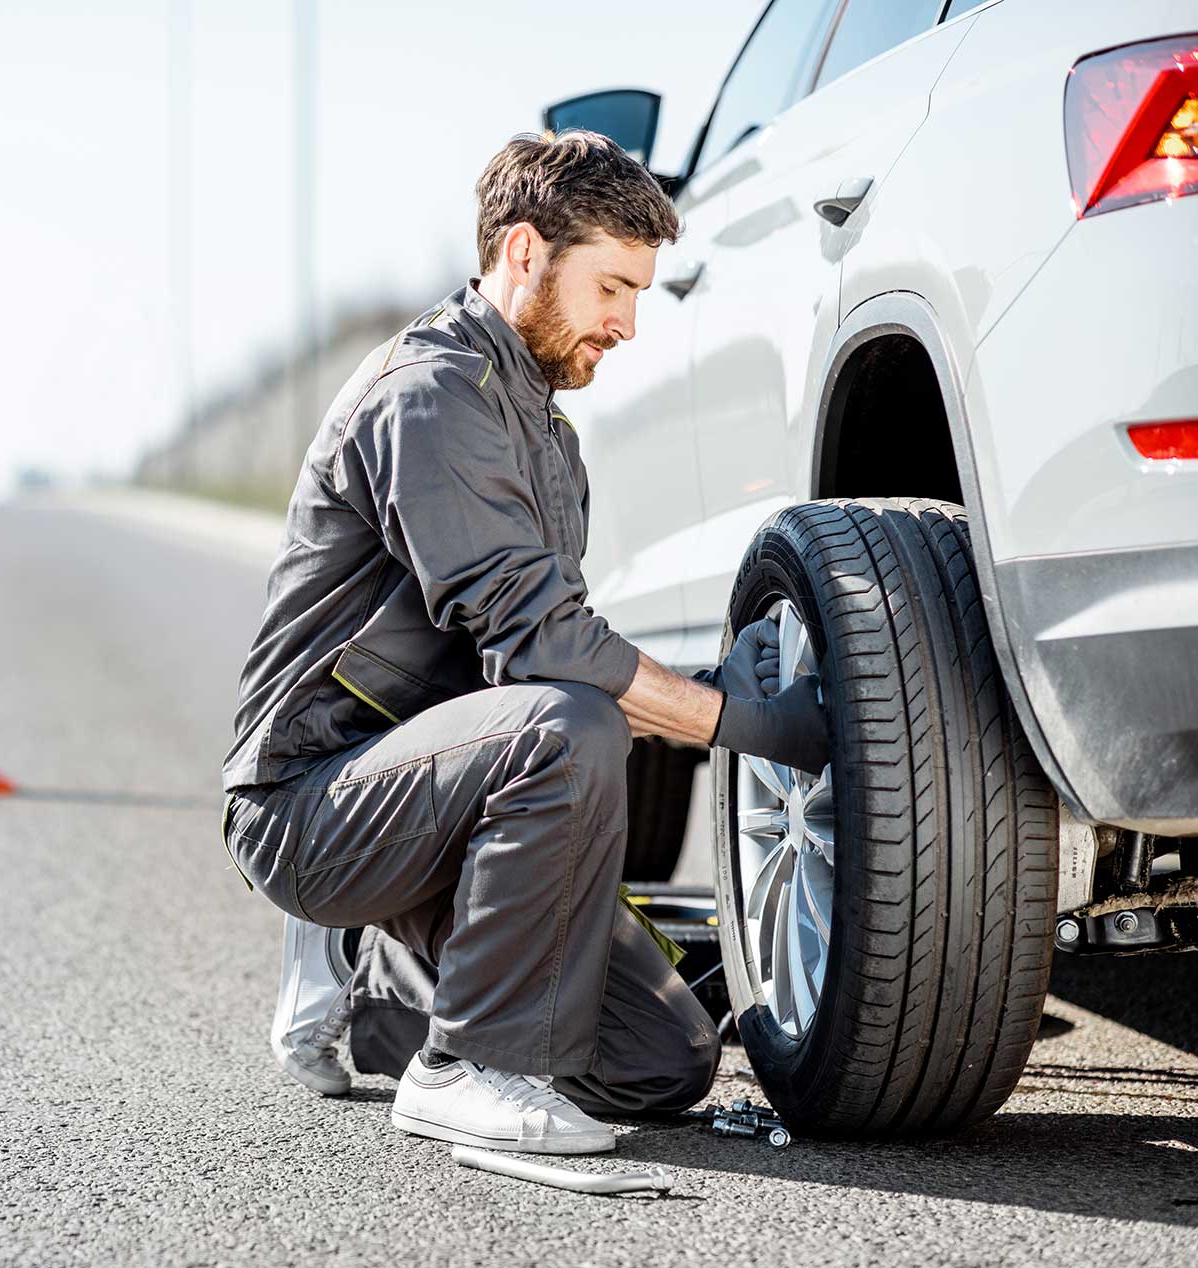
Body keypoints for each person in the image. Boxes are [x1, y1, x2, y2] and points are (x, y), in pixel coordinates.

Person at [221, 130, 829, 1155]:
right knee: (565, 725)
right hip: (309, 799)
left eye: (639, 294)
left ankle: (380, 990)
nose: (628, 323)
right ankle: (465, 1067)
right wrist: (738, 720)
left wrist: (689, 690)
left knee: (659, 1061)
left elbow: (533, 653)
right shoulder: (431, 395)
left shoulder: (547, 435)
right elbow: (547, 660)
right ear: (521, 254)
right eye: (611, 287)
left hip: (433, 793)